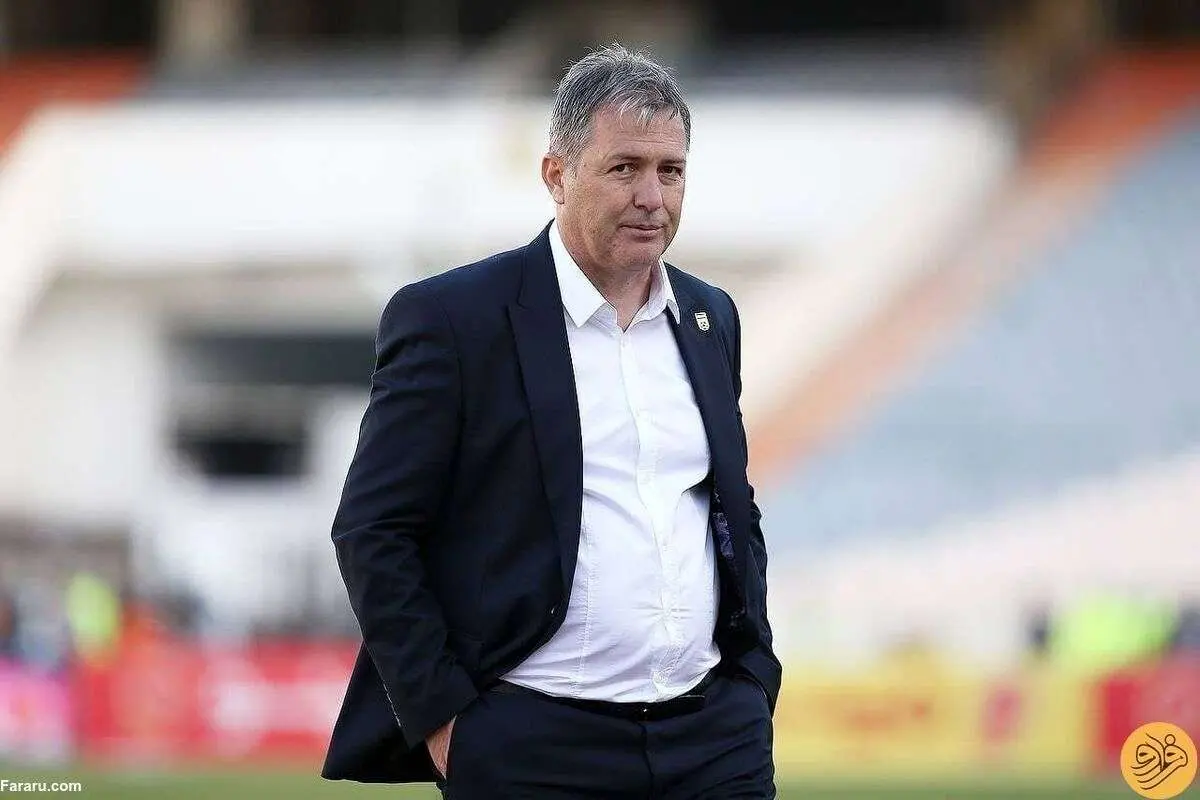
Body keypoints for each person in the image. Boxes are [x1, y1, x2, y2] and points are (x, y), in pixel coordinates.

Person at [322, 42, 781, 798]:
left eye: (671, 171)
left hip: (712, 739)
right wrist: (447, 722)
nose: (652, 196)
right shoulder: (453, 319)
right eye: (624, 167)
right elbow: (373, 528)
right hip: (534, 743)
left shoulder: (711, 316)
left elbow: (731, 503)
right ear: (556, 175)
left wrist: (753, 676)